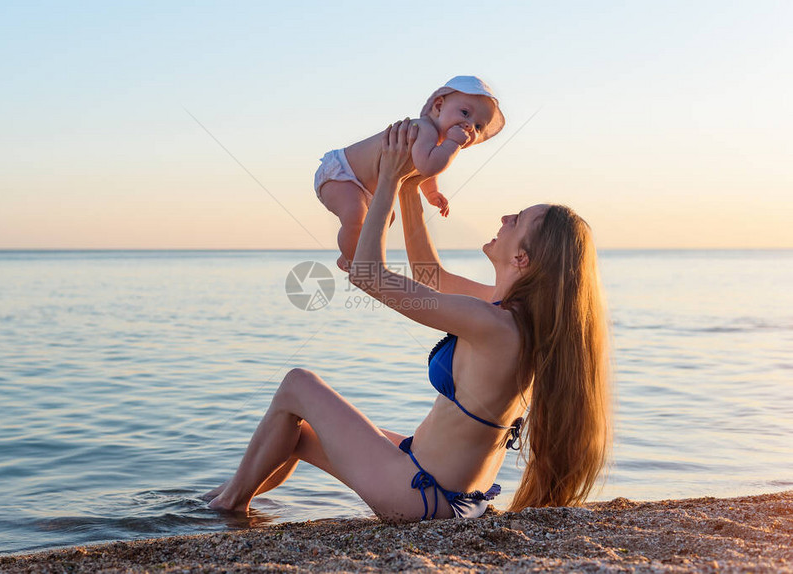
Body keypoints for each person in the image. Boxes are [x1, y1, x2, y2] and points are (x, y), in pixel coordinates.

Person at [204, 119, 610, 521]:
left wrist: (386, 179)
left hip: (424, 497)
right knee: (296, 432)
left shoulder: (492, 324)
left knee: (298, 383)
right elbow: (428, 273)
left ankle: (225, 507)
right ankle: (223, 501)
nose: (504, 218)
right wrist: (409, 186)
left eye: (516, 220)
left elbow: (367, 274)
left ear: (522, 259)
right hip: (451, 494)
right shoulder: (512, 317)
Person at [315, 76, 505, 271]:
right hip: (341, 174)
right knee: (355, 217)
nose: (469, 126)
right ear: (438, 106)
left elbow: (425, 171)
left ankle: (348, 255)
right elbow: (428, 166)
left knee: (387, 218)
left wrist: (432, 193)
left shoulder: (434, 142)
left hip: (362, 187)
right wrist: (453, 144)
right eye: (465, 113)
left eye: (478, 127)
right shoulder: (423, 129)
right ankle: (353, 260)